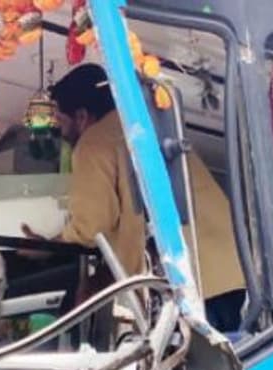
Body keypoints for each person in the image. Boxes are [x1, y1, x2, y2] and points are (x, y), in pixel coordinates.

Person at [26, 63, 248, 332]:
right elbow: (132, 223)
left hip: (188, 282)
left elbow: (90, 226)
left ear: (82, 115)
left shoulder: (93, 143)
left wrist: (49, 247)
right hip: (234, 272)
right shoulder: (148, 126)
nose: (60, 134)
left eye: (60, 122)